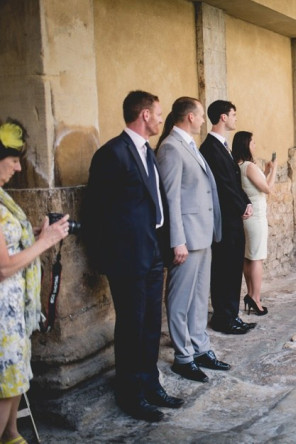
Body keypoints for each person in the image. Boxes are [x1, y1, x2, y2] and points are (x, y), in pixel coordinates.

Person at [83, 91, 183, 422]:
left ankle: (150, 384)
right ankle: (130, 394)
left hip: (153, 252)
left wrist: (164, 245)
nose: (159, 118)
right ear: (143, 115)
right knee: (131, 326)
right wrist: (105, 259)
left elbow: (155, 202)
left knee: (152, 324)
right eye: (156, 113)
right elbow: (96, 211)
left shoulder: (148, 153)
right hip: (126, 259)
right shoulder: (112, 154)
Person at [0, 119, 70, 444]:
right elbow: (2, 267)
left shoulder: (3, 198)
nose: (17, 168)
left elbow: (13, 249)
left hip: (14, 310)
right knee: (7, 379)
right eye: (12, 159)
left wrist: (40, 237)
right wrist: (45, 243)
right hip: (2, 312)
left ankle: (11, 433)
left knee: (15, 375)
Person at [155, 97, 229, 383]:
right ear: (189, 117)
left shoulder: (189, 145)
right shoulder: (171, 148)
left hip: (203, 235)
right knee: (179, 300)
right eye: (199, 116)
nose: (202, 121)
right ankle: (183, 356)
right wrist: (177, 241)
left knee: (199, 299)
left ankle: (200, 347)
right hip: (186, 238)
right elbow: (170, 198)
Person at [200, 100, 256, 334]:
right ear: (223, 117)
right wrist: (241, 205)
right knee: (224, 269)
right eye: (233, 114)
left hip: (232, 216)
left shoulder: (222, 146)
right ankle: (224, 317)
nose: (235, 118)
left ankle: (231, 314)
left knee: (233, 267)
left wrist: (247, 201)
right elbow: (222, 185)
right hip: (223, 218)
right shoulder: (210, 148)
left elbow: (234, 181)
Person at [232, 131, 276, 315]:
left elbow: (255, 186)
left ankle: (251, 294)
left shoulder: (239, 166)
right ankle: (255, 298)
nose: (255, 145)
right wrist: (273, 170)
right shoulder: (249, 166)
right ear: (246, 145)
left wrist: (264, 172)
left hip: (247, 218)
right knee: (256, 258)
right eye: (253, 142)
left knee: (248, 257)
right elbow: (267, 189)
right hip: (256, 217)